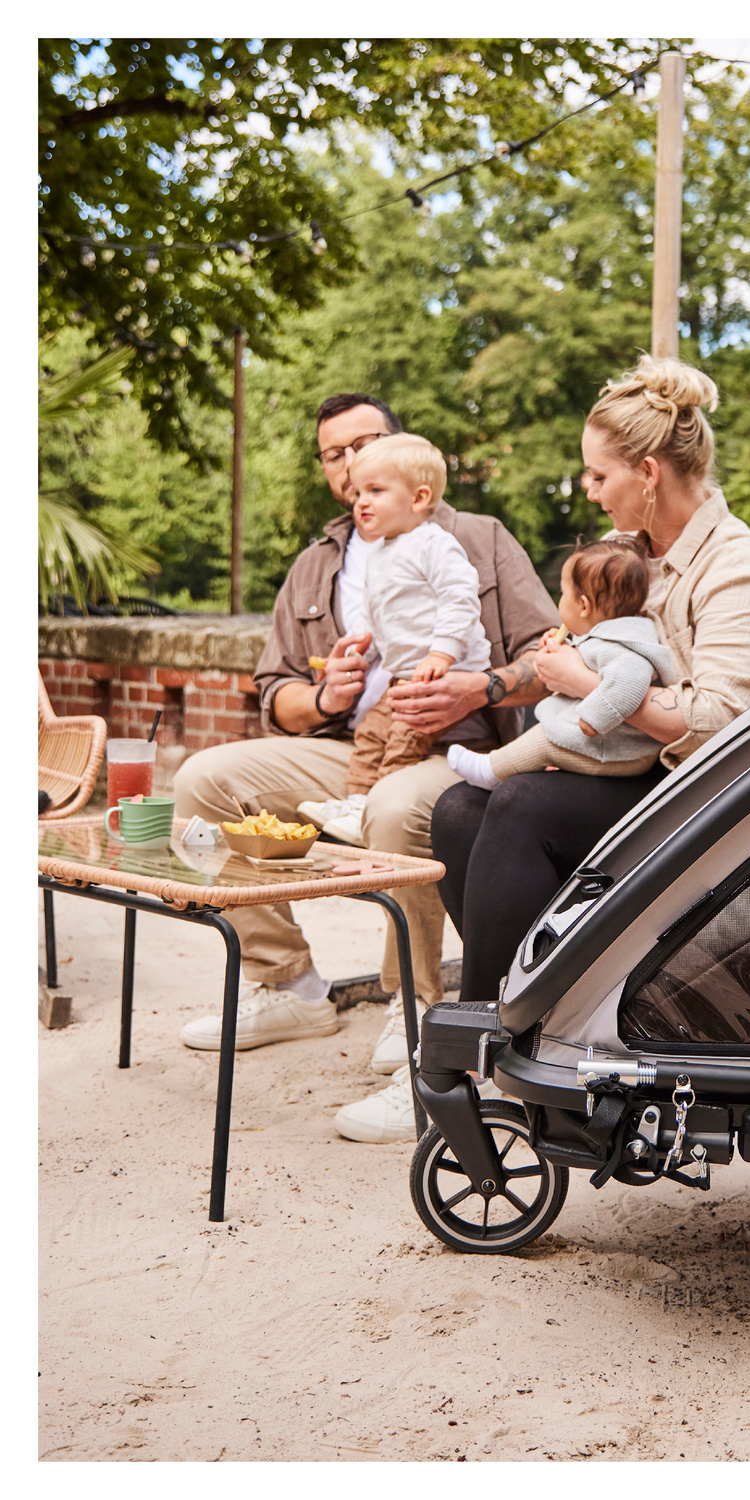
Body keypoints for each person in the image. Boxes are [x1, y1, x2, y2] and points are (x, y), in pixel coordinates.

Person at [172, 393, 558, 1142]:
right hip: (351, 745)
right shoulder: (318, 565)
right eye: (333, 454)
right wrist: (324, 695)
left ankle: (411, 1006)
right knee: (201, 781)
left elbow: (549, 658)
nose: (349, 464)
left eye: (365, 445)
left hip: (459, 747)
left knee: (394, 807)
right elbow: (274, 693)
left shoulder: (474, 538)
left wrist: (475, 687)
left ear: (403, 457)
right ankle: (290, 985)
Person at [424, 355, 750, 1046]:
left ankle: (486, 1043)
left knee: (519, 804)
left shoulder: (740, 567)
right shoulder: (626, 554)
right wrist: (515, 680)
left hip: (702, 798)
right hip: (621, 768)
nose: (590, 492)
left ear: (648, 473)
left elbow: (719, 723)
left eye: (599, 476)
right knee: (457, 811)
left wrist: (592, 689)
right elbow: (573, 655)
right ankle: (534, 1021)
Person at [301, 434, 492, 842]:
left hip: (442, 675)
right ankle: (356, 804)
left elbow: (460, 598)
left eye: (375, 491)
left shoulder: (434, 544)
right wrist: (358, 646)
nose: (361, 502)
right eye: (357, 493)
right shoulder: (381, 553)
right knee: (371, 734)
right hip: (403, 676)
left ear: (420, 498)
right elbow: (377, 612)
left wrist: (441, 654)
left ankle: (372, 808)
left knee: (402, 742)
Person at [446, 535, 672, 790]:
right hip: (611, 743)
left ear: (583, 606)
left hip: (617, 750)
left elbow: (629, 682)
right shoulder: (610, 635)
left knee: (544, 739)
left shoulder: (623, 645)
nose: (559, 601)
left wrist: (594, 718)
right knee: (547, 734)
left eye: (564, 594)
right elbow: (591, 661)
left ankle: (491, 770)